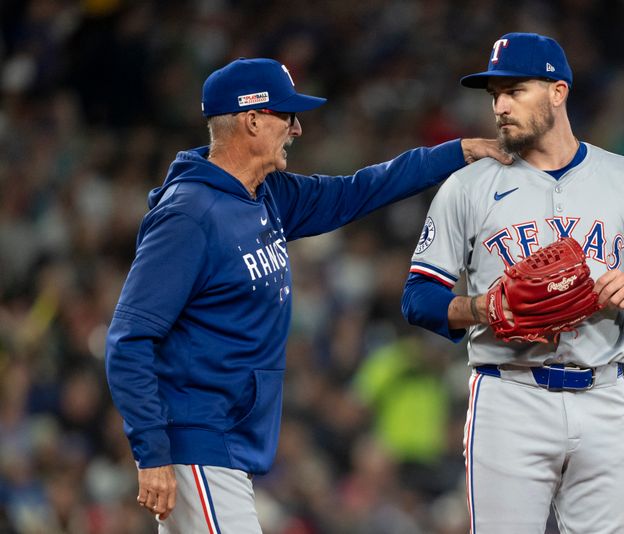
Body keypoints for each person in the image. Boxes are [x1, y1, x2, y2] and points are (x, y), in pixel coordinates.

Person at [104, 57, 511, 532]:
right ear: (252, 120)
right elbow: (128, 339)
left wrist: (453, 153)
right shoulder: (189, 215)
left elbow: (359, 190)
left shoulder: (266, 194)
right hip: (197, 442)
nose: (296, 128)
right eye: (286, 115)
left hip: (226, 441)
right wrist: (151, 450)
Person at [401, 33, 624, 533]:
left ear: (558, 91)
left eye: (515, 91)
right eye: (494, 96)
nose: (500, 106)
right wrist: (482, 308)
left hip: (604, 395)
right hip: (510, 396)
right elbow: (418, 298)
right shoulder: (468, 186)